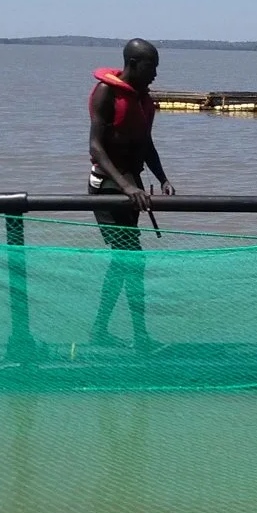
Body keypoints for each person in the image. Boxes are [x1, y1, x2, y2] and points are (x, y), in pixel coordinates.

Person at [87, 38, 173, 346]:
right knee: (129, 260)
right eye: (151, 67)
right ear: (133, 64)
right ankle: (128, 335)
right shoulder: (106, 93)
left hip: (131, 187)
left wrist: (162, 178)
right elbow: (96, 147)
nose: (155, 75)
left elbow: (145, 143)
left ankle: (119, 332)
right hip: (109, 188)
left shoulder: (142, 99)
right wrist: (125, 186)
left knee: (127, 261)